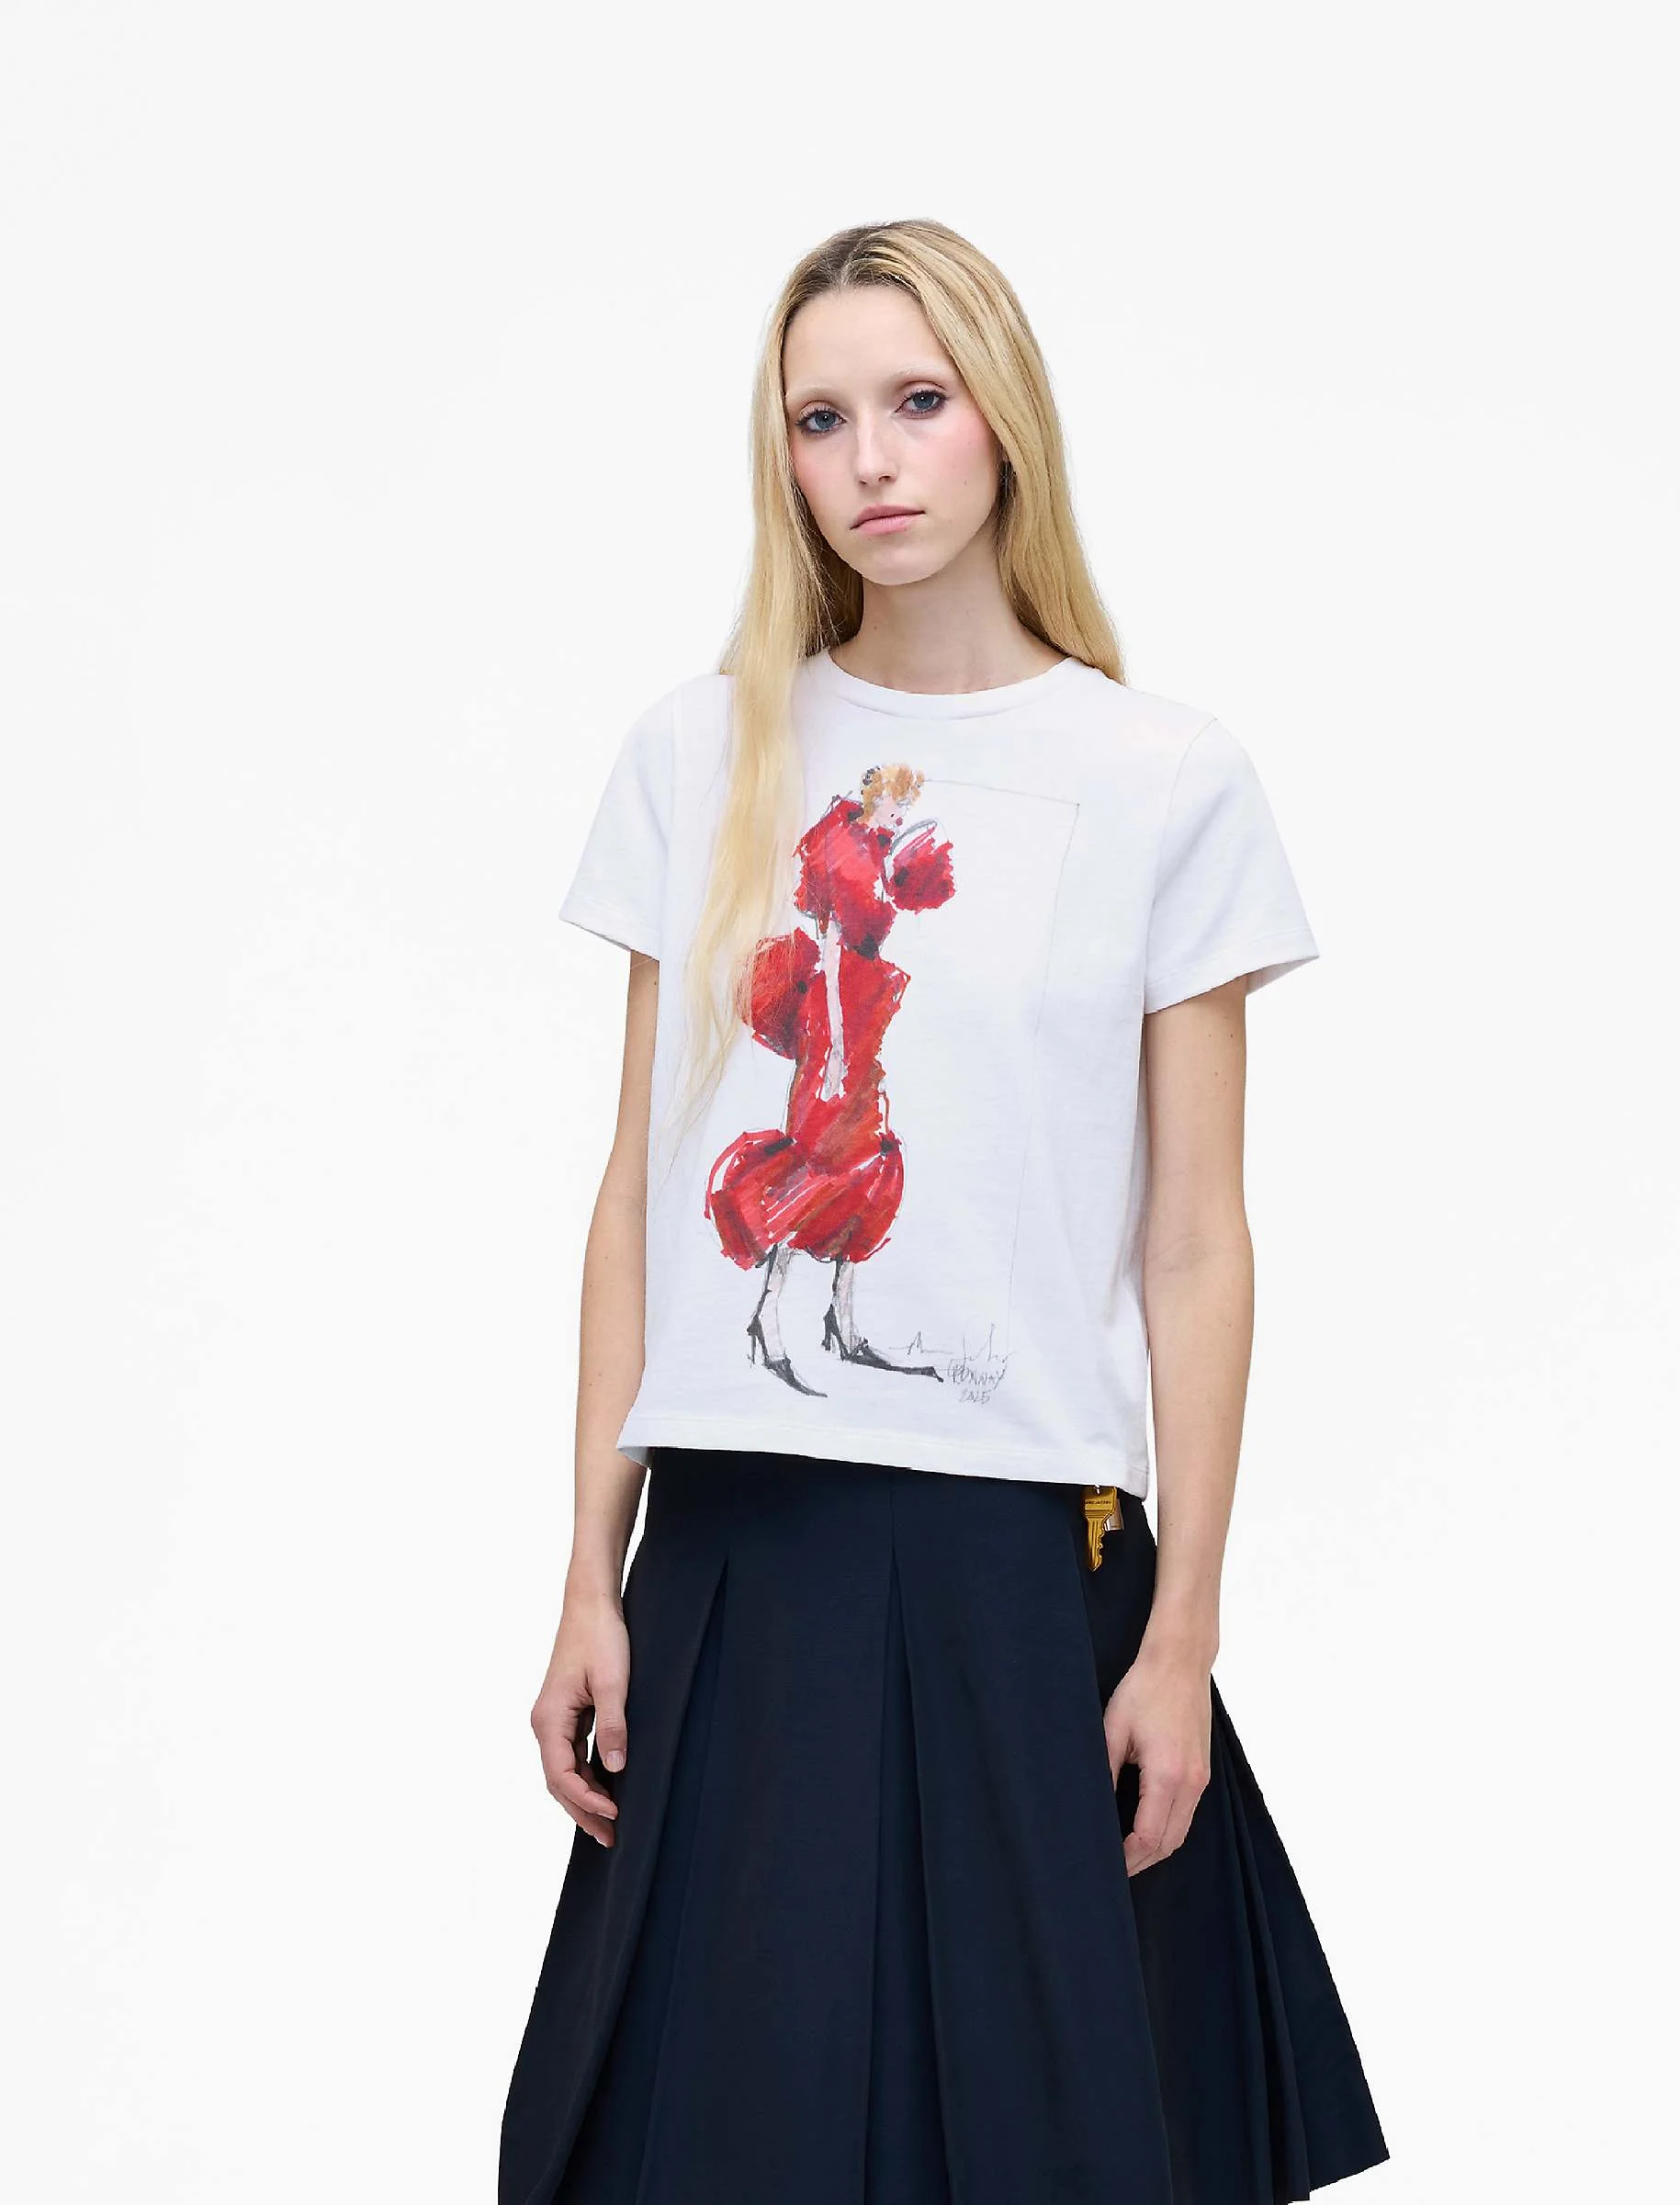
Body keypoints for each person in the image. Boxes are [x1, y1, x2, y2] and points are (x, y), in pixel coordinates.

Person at [498, 219, 1391, 2205]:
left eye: (917, 400)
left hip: (1020, 1561)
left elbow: (1198, 1243)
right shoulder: (700, 751)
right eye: (820, 419)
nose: (873, 460)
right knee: (705, 2140)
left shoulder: (1161, 777)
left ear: (1006, 420)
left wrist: (1183, 1630)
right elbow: (637, 1189)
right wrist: (588, 1572)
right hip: (734, 1551)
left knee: (1042, 2136)